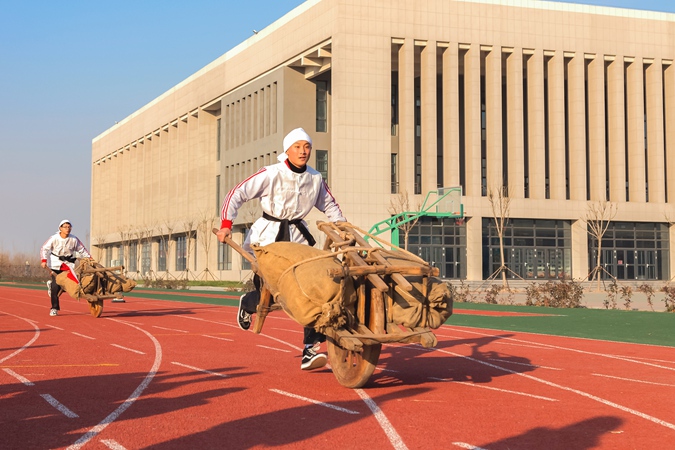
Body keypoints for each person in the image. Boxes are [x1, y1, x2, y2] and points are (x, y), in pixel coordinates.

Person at [216, 128, 346, 371]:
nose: (303, 151)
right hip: (268, 240)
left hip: (299, 239)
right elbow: (237, 193)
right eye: (297, 147)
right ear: (287, 149)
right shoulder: (271, 173)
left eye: (306, 147)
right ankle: (248, 303)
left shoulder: (315, 178)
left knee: (313, 288)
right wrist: (226, 225)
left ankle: (311, 348)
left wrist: (342, 227)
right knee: (272, 293)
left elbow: (330, 205)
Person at [40, 219, 92, 316]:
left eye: (69, 227)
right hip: (55, 264)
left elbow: (82, 250)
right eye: (65, 227)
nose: (67, 229)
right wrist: (44, 260)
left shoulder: (74, 239)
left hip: (68, 265)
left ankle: (52, 286)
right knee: (56, 286)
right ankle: (54, 308)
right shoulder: (54, 238)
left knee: (70, 284)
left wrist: (89, 258)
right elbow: (44, 248)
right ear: (60, 228)